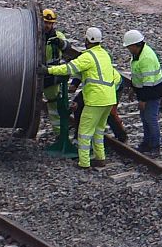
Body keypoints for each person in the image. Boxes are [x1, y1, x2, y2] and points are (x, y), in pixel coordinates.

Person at [42, 26, 120, 170]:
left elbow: (69, 68)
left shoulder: (88, 57)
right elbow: (116, 76)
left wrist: (48, 70)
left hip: (95, 100)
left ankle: (84, 163)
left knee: (84, 132)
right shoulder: (105, 54)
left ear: (88, 40)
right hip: (109, 99)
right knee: (98, 130)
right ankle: (100, 158)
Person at [123, 29, 162, 155]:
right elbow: (137, 74)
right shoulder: (138, 54)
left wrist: (143, 100)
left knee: (150, 119)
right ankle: (147, 143)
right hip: (144, 91)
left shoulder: (146, 58)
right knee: (144, 118)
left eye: (129, 47)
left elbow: (148, 82)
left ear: (136, 45)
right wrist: (133, 88)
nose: (128, 49)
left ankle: (155, 146)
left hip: (152, 93)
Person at [39, 8, 71, 125]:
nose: (47, 25)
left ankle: (58, 133)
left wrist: (60, 43)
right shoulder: (33, 34)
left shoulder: (58, 36)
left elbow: (67, 47)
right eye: (45, 22)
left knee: (53, 106)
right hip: (34, 73)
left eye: (50, 23)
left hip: (50, 76)